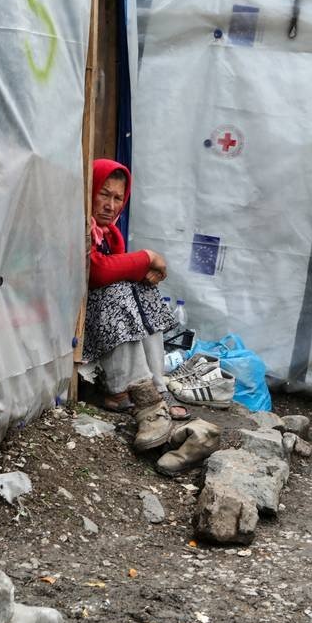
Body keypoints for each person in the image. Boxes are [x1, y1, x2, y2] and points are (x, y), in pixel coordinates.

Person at [82, 159, 189, 453]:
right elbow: (98, 273)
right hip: (74, 326)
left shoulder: (110, 235)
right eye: (103, 194)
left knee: (141, 290)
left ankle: (155, 387)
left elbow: (118, 270)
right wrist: (147, 257)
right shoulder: (77, 226)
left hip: (100, 328)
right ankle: (128, 395)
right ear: (88, 190)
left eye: (118, 198)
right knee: (116, 292)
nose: (110, 205)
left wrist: (144, 271)